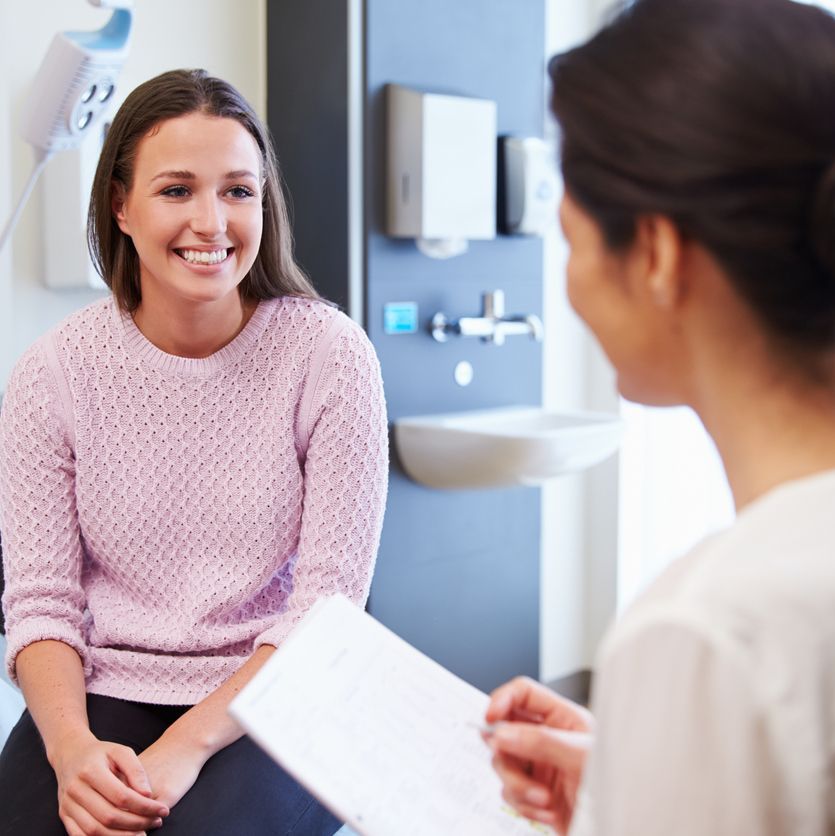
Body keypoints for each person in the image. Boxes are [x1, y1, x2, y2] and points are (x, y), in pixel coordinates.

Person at [0, 69, 388, 836]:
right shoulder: (53, 372)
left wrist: (185, 746)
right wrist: (72, 749)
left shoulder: (328, 355)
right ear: (121, 205)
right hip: (111, 684)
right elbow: (39, 602)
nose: (211, 222)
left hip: (283, 689)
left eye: (238, 191)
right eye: (176, 189)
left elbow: (326, 610)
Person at [485, 0, 835, 833]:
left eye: (570, 241)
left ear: (654, 255)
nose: (569, 288)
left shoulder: (709, 628)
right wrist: (640, 777)